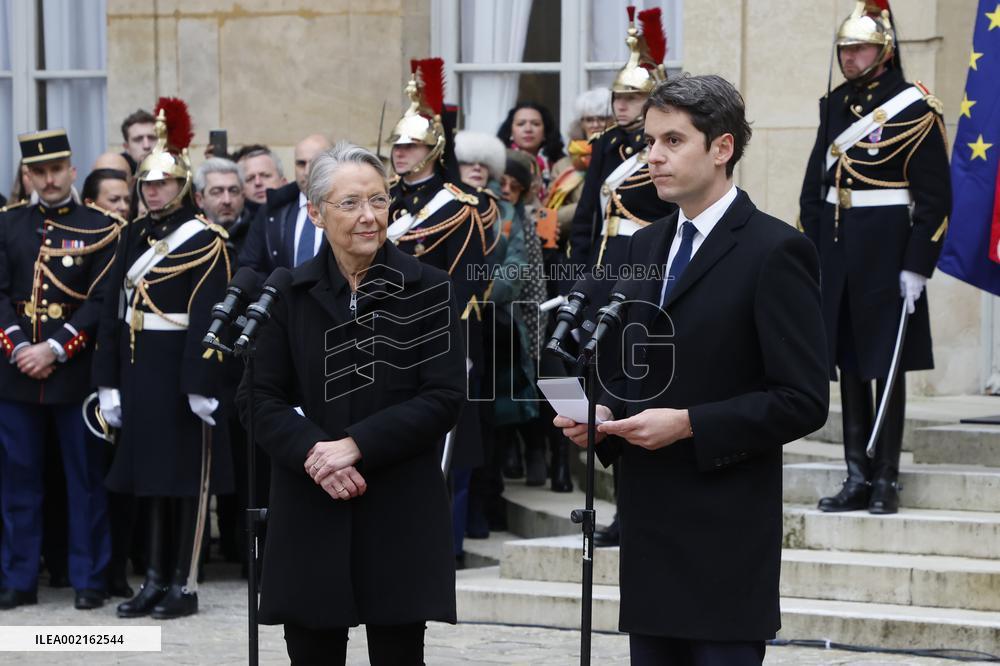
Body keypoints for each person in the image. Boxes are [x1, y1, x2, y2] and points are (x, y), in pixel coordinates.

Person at [555, 74, 829, 665]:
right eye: (649, 141)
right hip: (649, 528)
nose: (652, 156)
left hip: (724, 533)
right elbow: (627, 371)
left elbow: (803, 399)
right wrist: (602, 415)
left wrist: (690, 424)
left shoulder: (775, 249)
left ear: (722, 147)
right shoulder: (640, 246)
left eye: (672, 141)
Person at [237, 142, 465, 665]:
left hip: (398, 506)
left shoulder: (429, 289)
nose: (369, 216)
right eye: (350, 203)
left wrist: (356, 445)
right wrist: (317, 453)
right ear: (316, 213)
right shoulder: (288, 293)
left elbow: (445, 397)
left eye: (379, 200)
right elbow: (257, 397)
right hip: (311, 504)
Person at [801, 1, 950, 515]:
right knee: (847, 362)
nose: (849, 56)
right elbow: (814, 190)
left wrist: (917, 264)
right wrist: (815, 253)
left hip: (888, 253)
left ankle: (886, 476)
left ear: (884, 51)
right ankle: (856, 475)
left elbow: (935, 199)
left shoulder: (914, 107)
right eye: (844, 48)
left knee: (887, 364)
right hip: (838, 250)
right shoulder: (835, 105)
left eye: (859, 48)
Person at [93, 100, 233, 619]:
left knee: (186, 484)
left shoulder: (206, 240)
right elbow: (114, 308)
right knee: (149, 482)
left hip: (179, 374)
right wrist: (107, 381)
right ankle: (152, 577)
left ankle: (184, 581)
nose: (152, 191)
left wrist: (201, 381)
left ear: (183, 184)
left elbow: (209, 316)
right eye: (146, 183)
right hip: (138, 372)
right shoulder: (133, 234)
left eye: (163, 183)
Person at [0, 129, 121, 610]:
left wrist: (54, 348)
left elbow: (101, 299)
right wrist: (18, 347)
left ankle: (89, 578)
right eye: (39, 172)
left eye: (56, 169)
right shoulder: (8, 224)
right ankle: (18, 578)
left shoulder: (101, 226)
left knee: (85, 481)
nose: (49, 179)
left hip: (75, 374)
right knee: (18, 481)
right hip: (15, 374)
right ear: (28, 176)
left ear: (72, 170)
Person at [571, 6, 678, 547]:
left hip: (643, 272)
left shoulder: (659, 151)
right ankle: (617, 508)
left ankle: (637, 507)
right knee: (604, 385)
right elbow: (588, 216)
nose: (621, 106)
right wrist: (577, 279)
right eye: (618, 98)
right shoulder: (607, 146)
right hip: (604, 270)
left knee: (638, 384)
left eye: (632, 98)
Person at [387, 58, 499, 564]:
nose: (399, 152)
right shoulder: (381, 200)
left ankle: (443, 548)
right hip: (382, 337)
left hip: (437, 337)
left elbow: (469, 283)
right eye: (396, 144)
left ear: (432, 148)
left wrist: (450, 342)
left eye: (410, 145)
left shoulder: (459, 206)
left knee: (448, 449)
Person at [238, 135, 332, 276]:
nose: (307, 172)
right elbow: (249, 269)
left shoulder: (348, 208)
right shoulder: (272, 211)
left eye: (315, 163)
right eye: (301, 164)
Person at [547, 88, 613, 243]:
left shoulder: (621, 158)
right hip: (574, 243)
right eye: (589, 120)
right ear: (581, 124)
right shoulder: (563, 166)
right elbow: (552, 216)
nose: (595, 125)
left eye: (601, 119)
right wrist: (589, 206)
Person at [496, 102, 565, 199]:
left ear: (545, 132)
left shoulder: (560, 164)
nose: (528, 129)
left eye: (536, 124)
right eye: (521, 124)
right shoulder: (498, 162)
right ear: (510, 131)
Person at [119, 109, 157, 175]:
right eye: (138, 139)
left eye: (152, 138)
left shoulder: (172, 166)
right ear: (126, 147)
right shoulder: (119, 171)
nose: (146, 146)